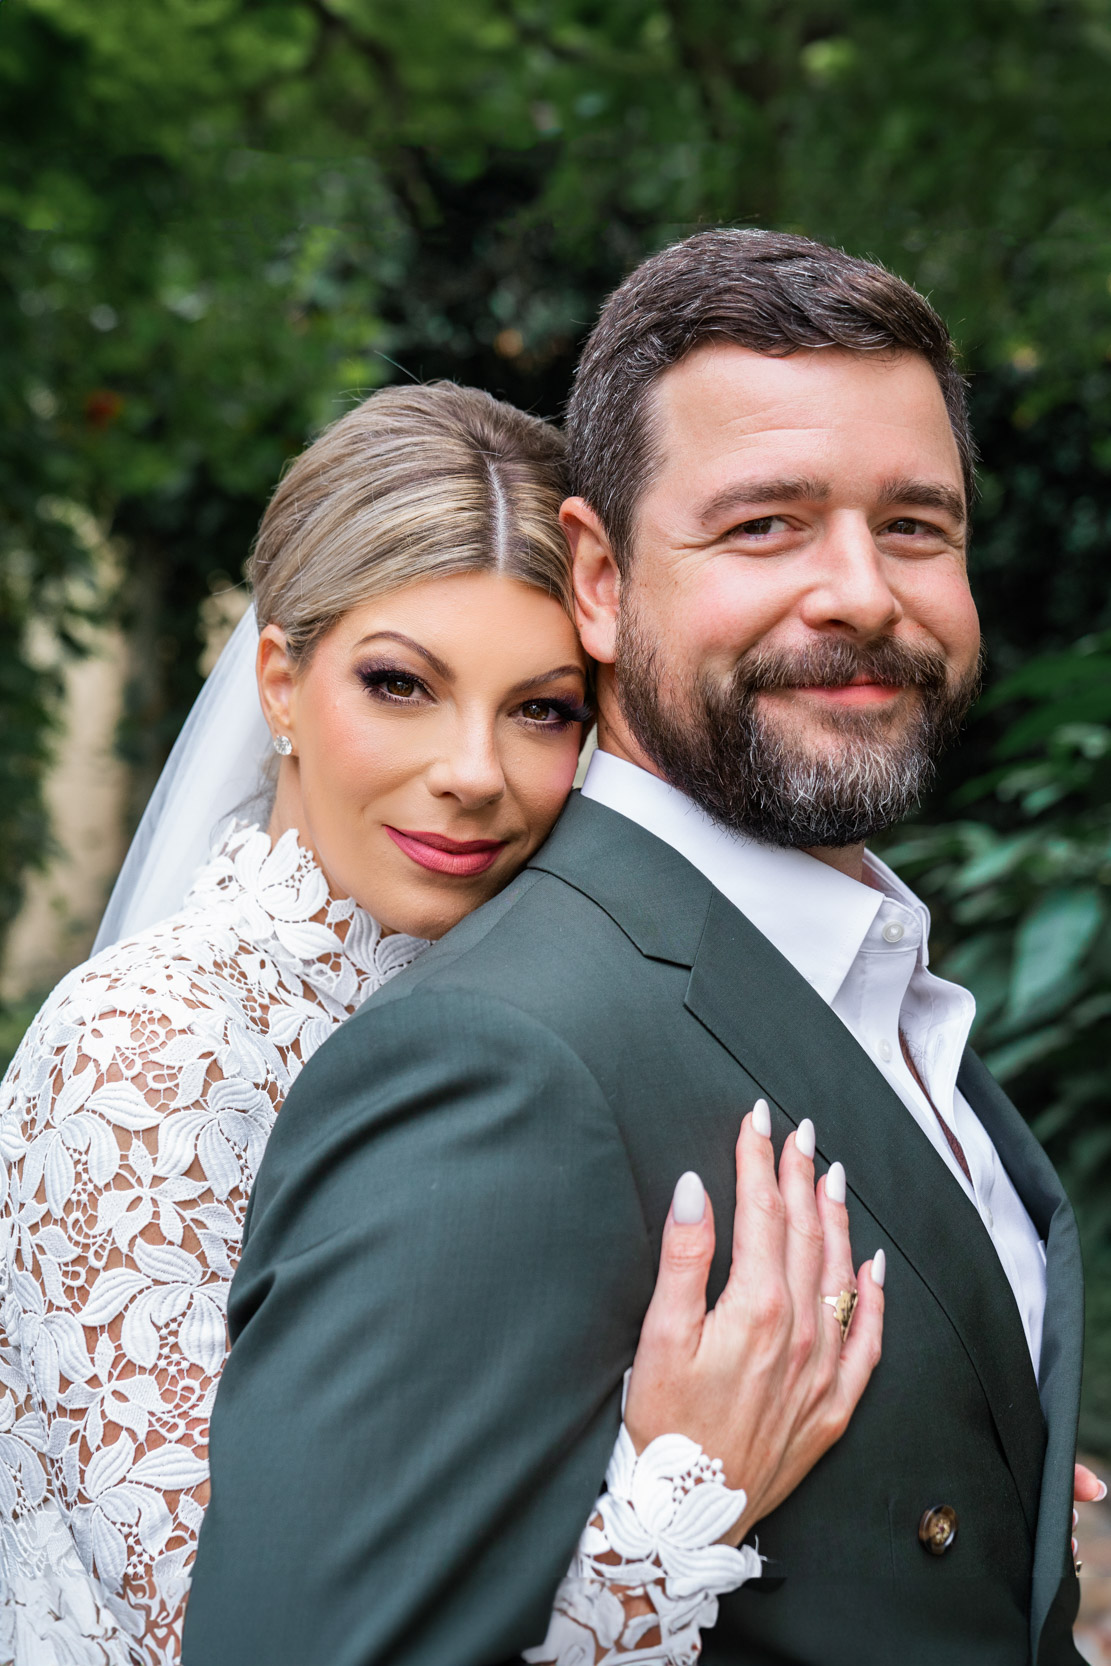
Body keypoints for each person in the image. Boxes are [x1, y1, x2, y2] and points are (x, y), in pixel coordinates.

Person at [183, 229, 1098, 1666]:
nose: (861, 590)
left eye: (913, 525)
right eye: (763, 526)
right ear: (597, 582)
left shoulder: (868, 974)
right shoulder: (498, 1060)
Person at [0, 381, 881, 1666]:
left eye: (542, 708)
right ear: (280, 683)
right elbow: (233, 1636)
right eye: (401, 684)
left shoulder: (573, 1022)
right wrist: (680, 1501)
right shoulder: (150, 1048)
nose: (474, 772)